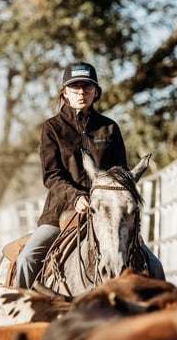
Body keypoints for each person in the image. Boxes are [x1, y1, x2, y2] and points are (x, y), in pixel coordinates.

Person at [15, 61, 165, 289]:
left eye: (87, 87)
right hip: (61, 211)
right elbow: (51, 175)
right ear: (65, 92)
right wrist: (76, 196)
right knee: (26, 259)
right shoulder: (52, 128)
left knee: (154, 266)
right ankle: (22, 313)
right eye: (75, 87)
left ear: (96, 92)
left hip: (110, 213)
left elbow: (122, 176)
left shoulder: (110, 128)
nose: (81, 92)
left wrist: (131, 227)